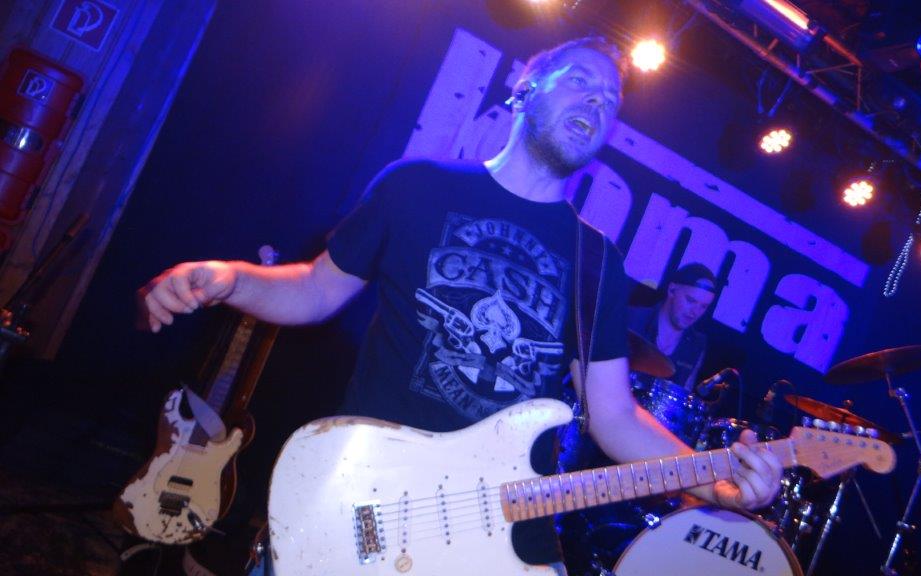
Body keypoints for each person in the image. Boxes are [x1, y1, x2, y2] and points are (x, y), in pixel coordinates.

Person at [139, 36, 783, 571]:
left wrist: (714, 478)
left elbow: (614, 416)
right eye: (581, 82)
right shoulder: (418, 186)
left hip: (504, 526)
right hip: (367, 493)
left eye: (609, 99)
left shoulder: (599, 262)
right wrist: (230, 278)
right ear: (525, 87)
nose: (597, 100)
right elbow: (313, 289)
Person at [629, 262, 717, 392]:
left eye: (703, 306)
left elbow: (684, 391)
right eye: (691, 300)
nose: (695, 312)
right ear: (672, 290)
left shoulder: (696, 344)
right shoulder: (633, 318)